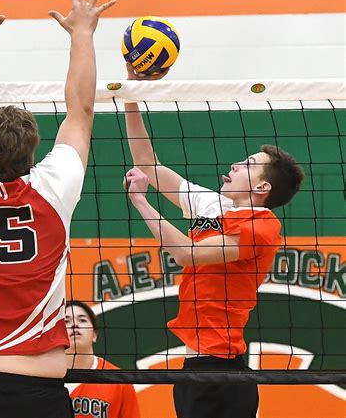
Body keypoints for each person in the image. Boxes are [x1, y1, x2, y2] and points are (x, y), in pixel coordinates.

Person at [0, 0, 115, 418]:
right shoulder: (53, 188)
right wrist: (83, 34)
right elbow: (81, 111)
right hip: (37, 390)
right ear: (33, 151)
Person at [122, 63, 304, 418]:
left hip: (223, 371)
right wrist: (131, 93)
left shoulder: (262, 226)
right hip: (197, 364)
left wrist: (141, 202)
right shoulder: (213, 204)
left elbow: (186, 253)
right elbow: (147, 162)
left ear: (262, 187)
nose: (236, 164)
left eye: (249, 164)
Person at [65, 301, 141, 418]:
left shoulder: (119, 381)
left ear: (94, 334)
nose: (75, 325)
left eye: (82, 320)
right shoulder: (43, 378)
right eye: (66, 321)